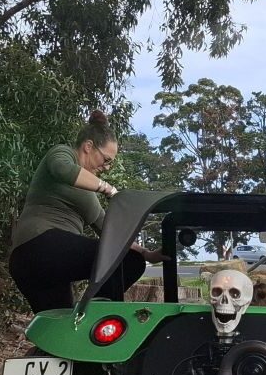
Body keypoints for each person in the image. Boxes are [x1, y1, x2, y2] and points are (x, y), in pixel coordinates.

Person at [8, 110, 165, 313]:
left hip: (44, 266)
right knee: (126, 261)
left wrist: (146, 253)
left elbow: (109, 230)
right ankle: (98, 318)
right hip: (38, 246)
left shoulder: (88, 191)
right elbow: (62, 169)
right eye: (107, 160)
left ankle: (84, 325)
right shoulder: (63, 153)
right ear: (88, 146)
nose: (107, 167)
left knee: (61, 333)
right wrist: (108, 189)